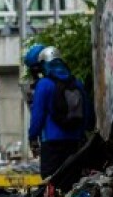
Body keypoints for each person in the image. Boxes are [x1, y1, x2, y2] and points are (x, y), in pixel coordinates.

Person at [28, 47, 95, 187]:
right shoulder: (77, 83)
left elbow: (38, 116)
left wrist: (32, 137)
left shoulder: (44, 84)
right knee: (72, 183)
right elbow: (88, 114)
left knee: (51, 184)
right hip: (74, 143)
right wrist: (82, 132)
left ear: (44, 65)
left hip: (51, 143)